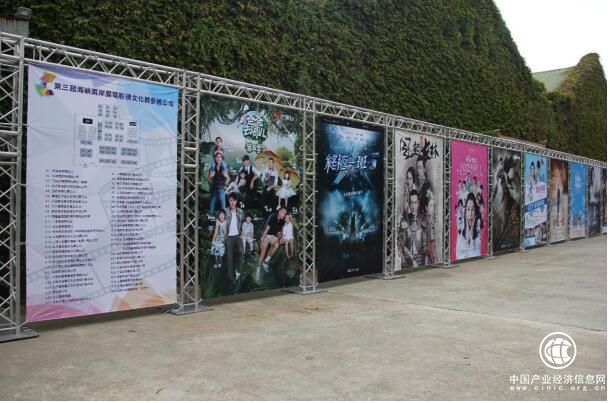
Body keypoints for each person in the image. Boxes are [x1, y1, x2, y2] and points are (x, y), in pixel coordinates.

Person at [256, 206, 287, 282]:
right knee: (263, 251)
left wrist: (281, 238)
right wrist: (262, 240)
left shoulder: (283, 221)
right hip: (266, 235)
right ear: (279, 211)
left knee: (276, 245)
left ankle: (266, 261)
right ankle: (257, 272)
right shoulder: (273, 217)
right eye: (283, 212)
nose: (284, 214)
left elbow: (279, 232)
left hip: (273, 236)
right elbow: (266, 229)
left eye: (285, 213)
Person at [225, 193, 244, 282]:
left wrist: (242, 233)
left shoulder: (240, 211)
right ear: (229, 201)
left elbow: (243, 223)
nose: (232, 202)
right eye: (231, 200)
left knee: (241, 251)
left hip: (237, 236)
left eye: (234, 200)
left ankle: (238, 272)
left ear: (236, 201)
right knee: (229, 256)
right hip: (229, 237)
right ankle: (231, 278)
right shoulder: (225, 211)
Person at [456, 193, 482, 259]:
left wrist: (471, 240)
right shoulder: (461, 231)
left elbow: (477, 254)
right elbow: (458, 255)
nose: (470, 212)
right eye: (468, 209)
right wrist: (467, 242)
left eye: (472, 209)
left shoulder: (478, 232)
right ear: (465, 211)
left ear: (475, 211)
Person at [208, 151, 229, 219]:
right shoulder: (213, 166)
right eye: (217, 157)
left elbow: (228, 178)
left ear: (222, 158)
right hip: (214, 187)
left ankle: (224, 217)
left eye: (220, 157)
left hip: (221, 187)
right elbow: (209, 178)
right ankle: (211, 216)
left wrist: (225, 185)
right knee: (212, 202)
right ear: (215, 158)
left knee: (223, 203)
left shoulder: (223, 166)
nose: (218, 158)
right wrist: (211, 179)